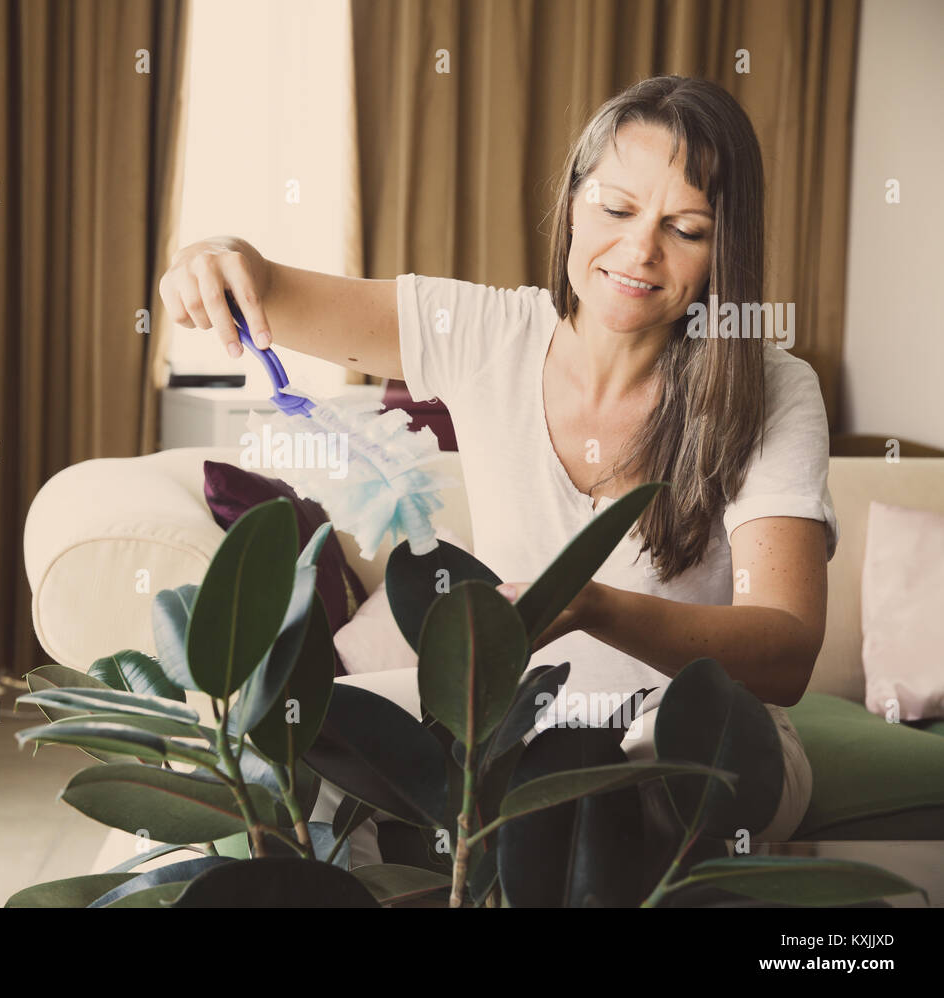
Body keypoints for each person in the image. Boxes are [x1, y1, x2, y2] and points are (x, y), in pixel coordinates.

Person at [157, 75, 835, 863]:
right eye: (616, 209)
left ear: (727, 248)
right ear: (574, 202)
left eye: (686, 228)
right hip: (514, 719)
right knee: (286, 740)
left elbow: (785, 652)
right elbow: (263, 286)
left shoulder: (774, 388)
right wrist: (212, 257)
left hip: (699, 733)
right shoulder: (485, 333)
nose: (640, 250)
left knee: (642, 763)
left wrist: (592, 606)